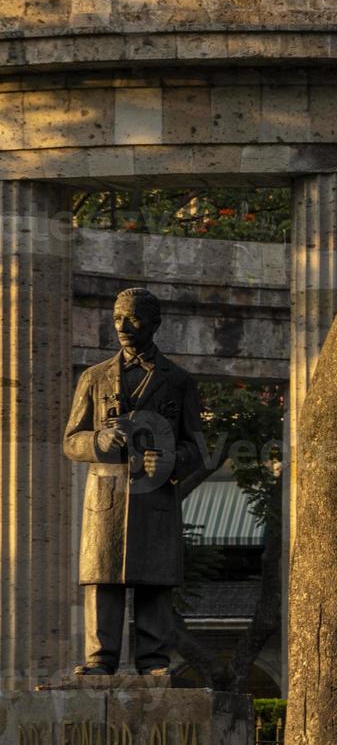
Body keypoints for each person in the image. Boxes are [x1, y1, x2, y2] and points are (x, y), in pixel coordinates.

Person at [64, 287, 208, 676]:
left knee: (154, 581)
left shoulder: (178, 381)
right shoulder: (94, 378)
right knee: (103, 578)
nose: (123, 326)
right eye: (117, 318)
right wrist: (98, 441)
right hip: (105, 495)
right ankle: (99, 659)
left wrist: (171, 460)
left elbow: (198, 448)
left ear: (155, 324)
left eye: (133, 318)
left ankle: (154, 660)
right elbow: (71, 440)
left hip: (156, 495)